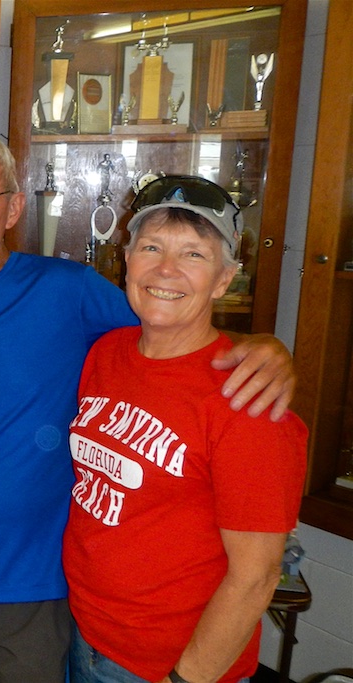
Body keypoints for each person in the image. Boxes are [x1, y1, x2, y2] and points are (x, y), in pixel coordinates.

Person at [0, 129, 296, 682]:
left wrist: (262, 349)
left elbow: (171, 321)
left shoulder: (70, 292)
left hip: (41, 590)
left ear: (12, 209)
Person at [62, 176, 307, 683]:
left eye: (194, 254)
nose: (166, 269)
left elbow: (255, 577)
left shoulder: (249, 400)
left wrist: (185, 679)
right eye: (151, 247)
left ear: (224, 279)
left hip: (171, 666)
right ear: (126, 260)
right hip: (86, 634)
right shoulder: (106, 353)